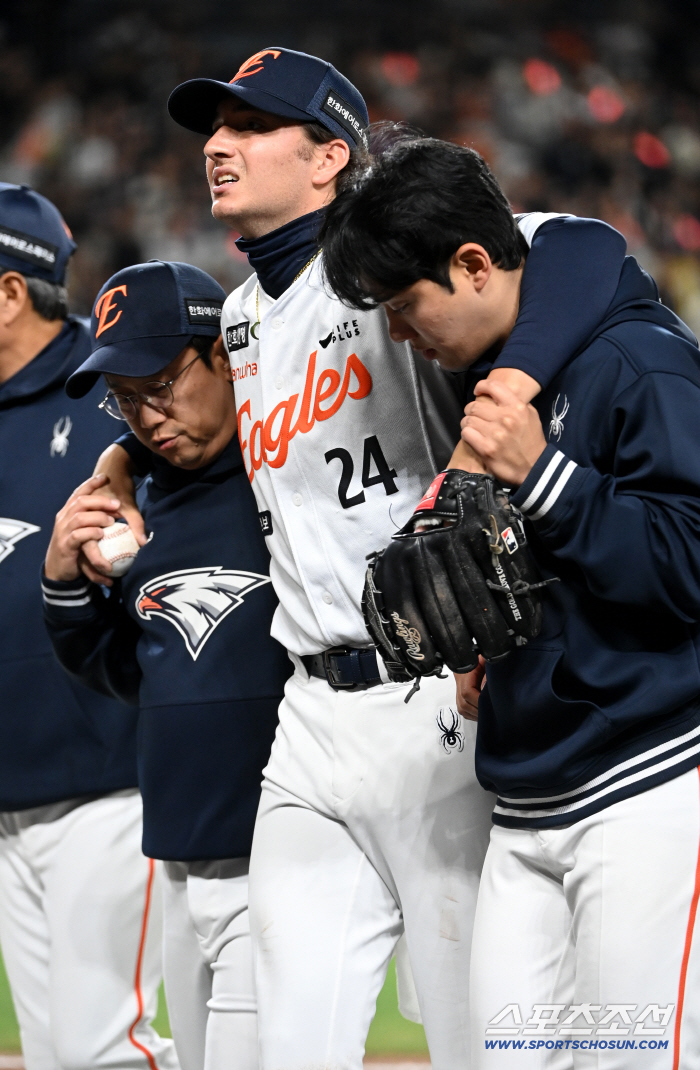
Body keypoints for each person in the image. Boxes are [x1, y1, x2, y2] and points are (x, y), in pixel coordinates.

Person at [89, 47, 628, 1069]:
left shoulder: (390, 264)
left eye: (252, 127)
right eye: (215, 128)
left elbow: (585, 245)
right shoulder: (239, 316)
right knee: (291, 1043)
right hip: (308, 719)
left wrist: (507, 393)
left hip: (433, 697)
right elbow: (198, 430)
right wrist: (124, 456)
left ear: (330, 154)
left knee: (481, 1038)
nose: (217, 146)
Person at [319, 136, 700, 1069]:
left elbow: (687, 567)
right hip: (527, 797)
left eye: (403, 306)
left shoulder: (643, 362)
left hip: (648, 786)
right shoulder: (488, 377)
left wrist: (549, 477)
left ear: (475, 264)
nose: (398, 335)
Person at [42, 260, 291, 1070]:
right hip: (180, 850)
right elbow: (130, 671)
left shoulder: (287, 464)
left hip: (283, 849)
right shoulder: (139, 497)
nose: (148, 417)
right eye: (124, 399)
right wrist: (62, 583)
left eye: (160, 385)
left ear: (223, 354)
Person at [0, 185, 176, 1070]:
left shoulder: (115, 393)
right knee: (54, 1053)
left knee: (103, 1048)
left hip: (110, 788)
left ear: (9, 292)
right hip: (9, 796)